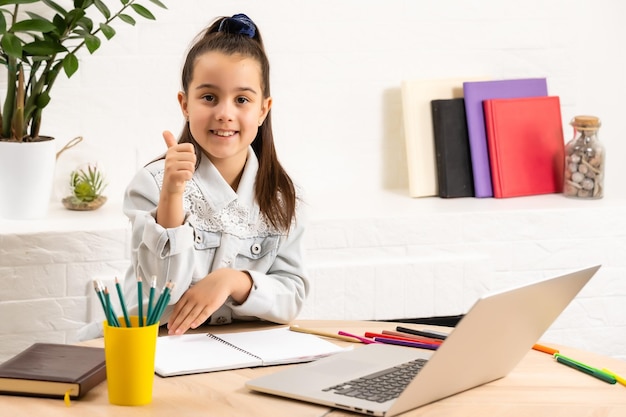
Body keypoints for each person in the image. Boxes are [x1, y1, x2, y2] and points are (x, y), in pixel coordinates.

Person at [122, 13, 308, 335]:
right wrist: (172, 195)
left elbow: (291, 297)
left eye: (241, 100)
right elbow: (155, 295)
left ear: (263, 110)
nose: (224, 114)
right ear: (185, 104)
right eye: (209, 97)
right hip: (157, 346)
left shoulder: (282, 197)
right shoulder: (151, 184)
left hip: (239, 351)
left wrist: (234, 281)